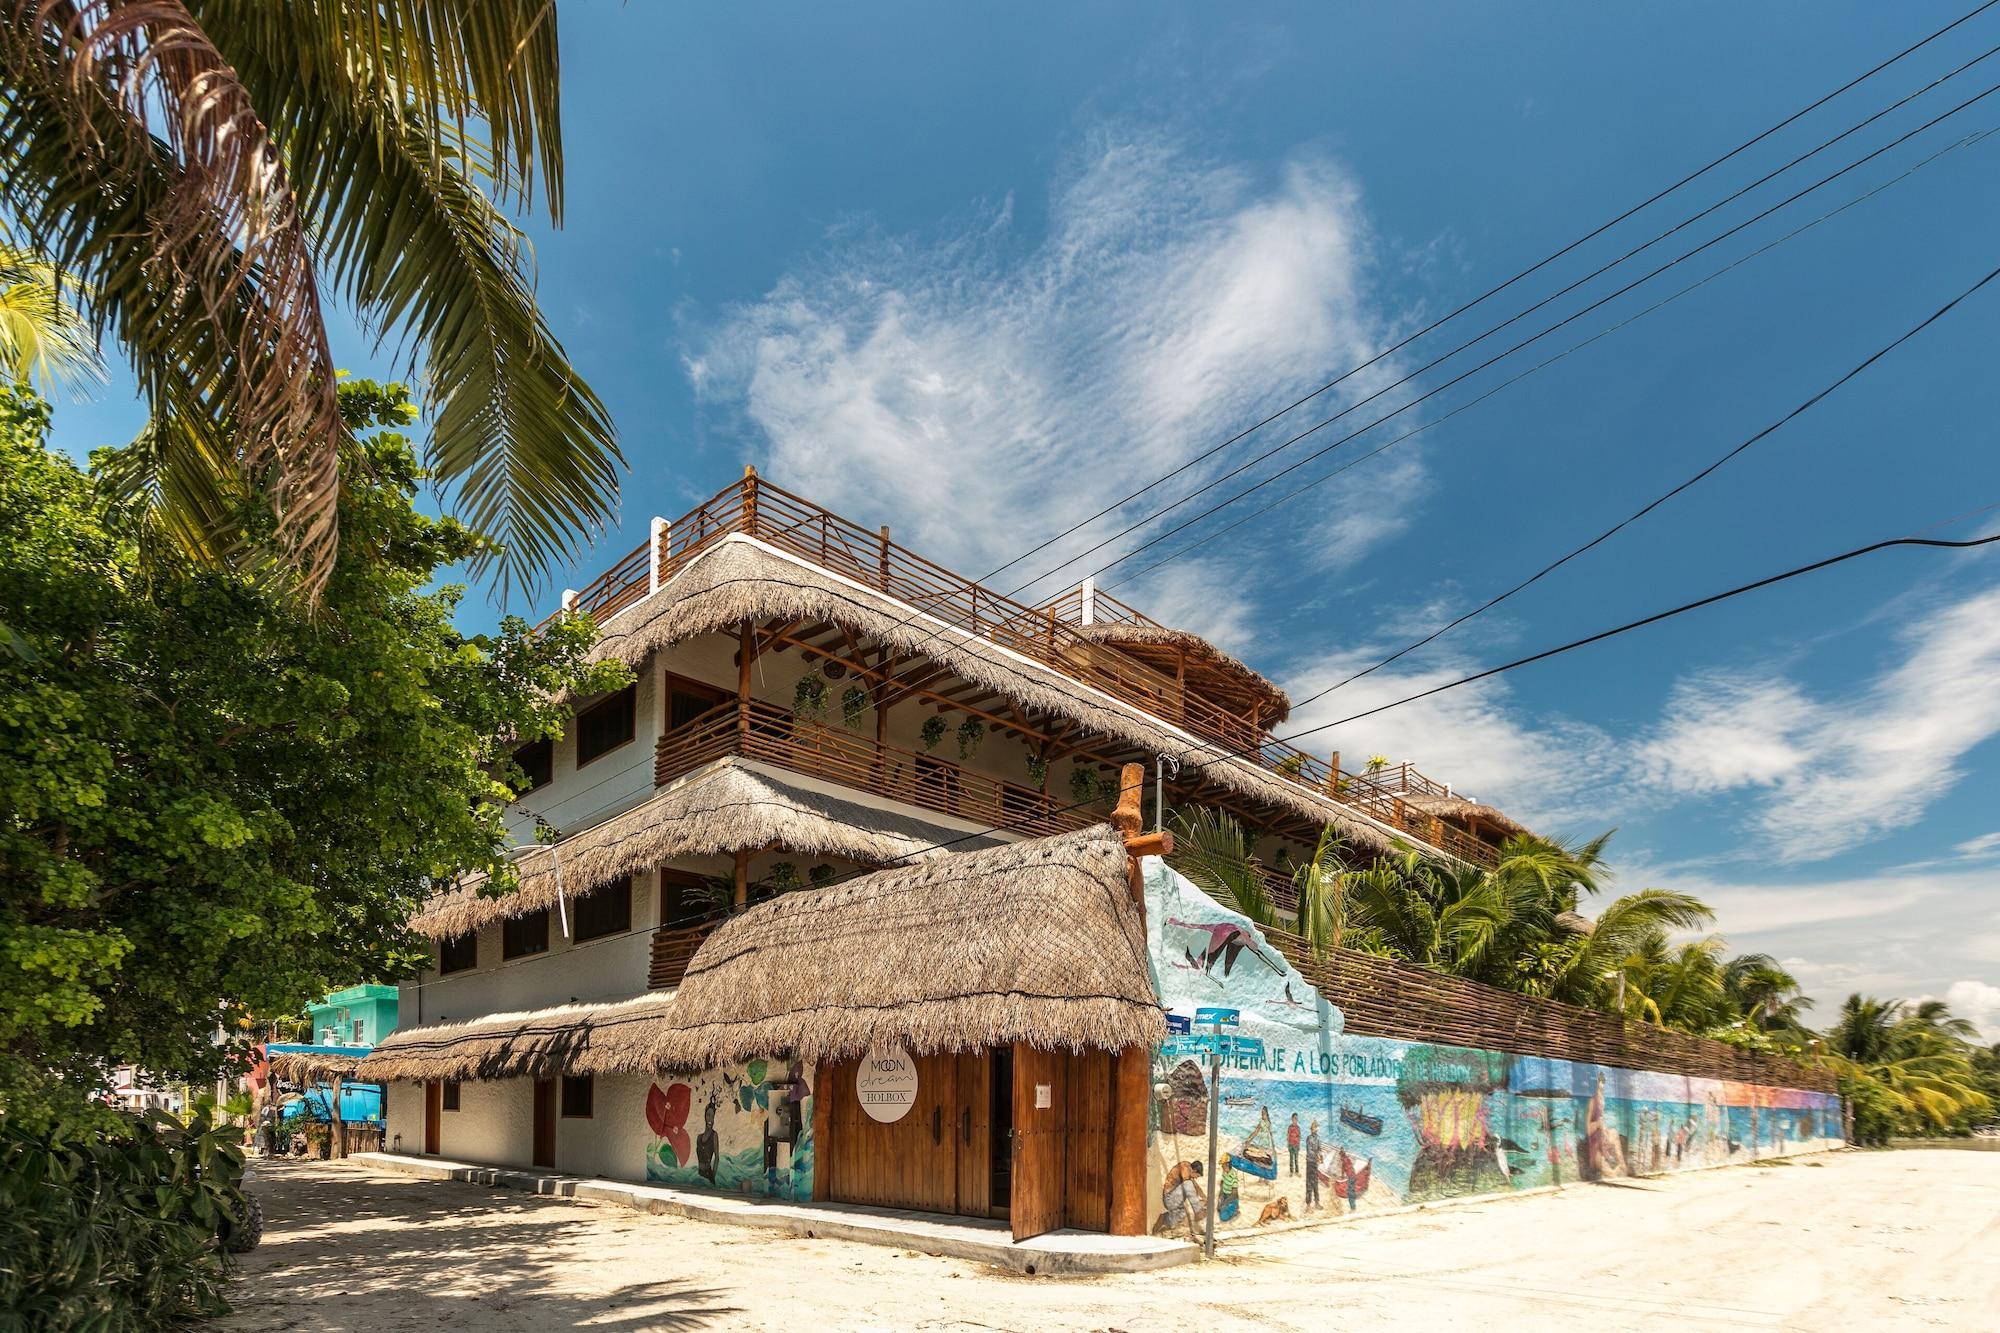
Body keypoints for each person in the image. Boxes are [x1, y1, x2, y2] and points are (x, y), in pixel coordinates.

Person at [1155, 1160, 1206, 1236]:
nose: (1196, 1178)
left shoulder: (1189, 1172)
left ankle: (1164, 1219)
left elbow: (1195, 1185)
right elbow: (1190, 1183)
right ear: (1194, 1170)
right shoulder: (1185, 1167)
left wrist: (1204, 1197)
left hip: (1175, 1200)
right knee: (1188, 1184)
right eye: (1197, 1176)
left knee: (1181, 1215)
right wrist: (1199, 1209)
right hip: (1169, 1198)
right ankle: (1198, 1212)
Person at [1303, 1120, 1323, 1210]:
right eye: (1314, 1128)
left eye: (1316, 1128)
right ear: (1311, 1129)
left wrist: (1320, 1156)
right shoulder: (1309, 1138)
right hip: (1310, 1162)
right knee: (1309, 1184)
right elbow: (1309, 1150)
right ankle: (1308, 1205)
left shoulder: (1318, 1138)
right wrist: (1316, 1156)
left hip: (1315, 1163)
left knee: (1315, 1183)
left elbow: (1319, 1149)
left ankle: (1317, 1203)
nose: (1315, 1129)